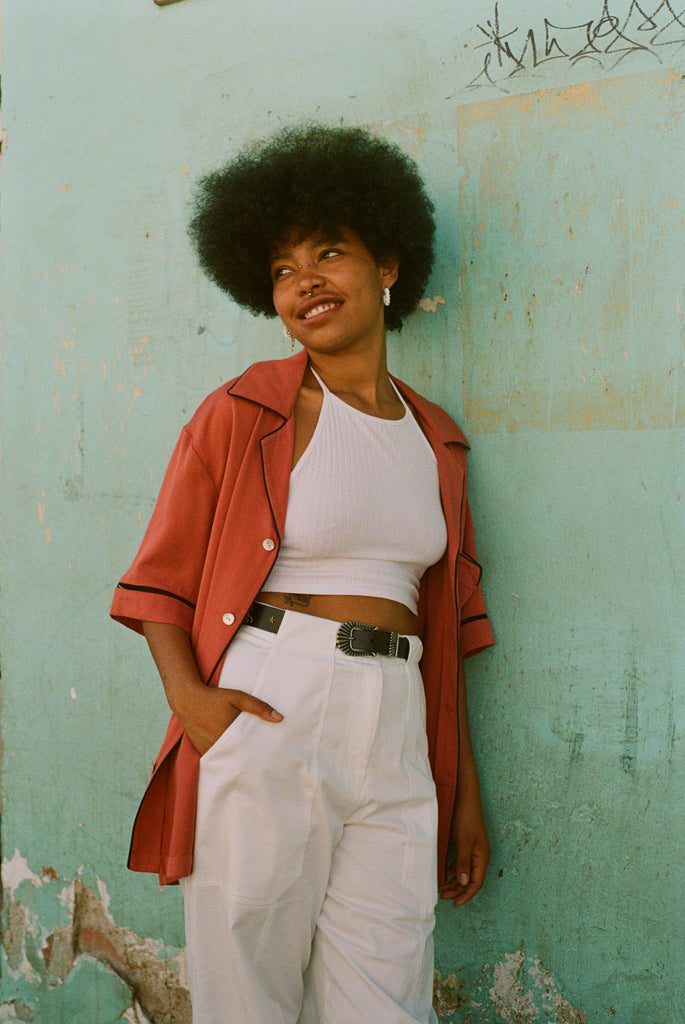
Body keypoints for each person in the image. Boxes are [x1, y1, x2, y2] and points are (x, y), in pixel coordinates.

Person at [110, 123, 494, 1024]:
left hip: (395, 723)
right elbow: (158, 582)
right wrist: (197, 709)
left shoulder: (436, 439)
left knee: (386, 996)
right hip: (274, 700)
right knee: (248, 989)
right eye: (283, 269)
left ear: (388, 263)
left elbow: (445, 634)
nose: (306, 282)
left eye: (330, 252)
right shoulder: (245, 410)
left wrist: (460, 791)